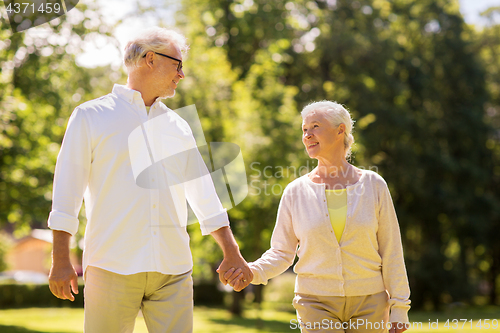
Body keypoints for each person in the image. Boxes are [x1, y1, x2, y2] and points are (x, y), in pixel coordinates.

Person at [47, 27, 252, 333]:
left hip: (174, 269)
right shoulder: (90, 116)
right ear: (150, 59)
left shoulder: (178, 125)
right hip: (111, 265)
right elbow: (67, 191)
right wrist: (61, 259)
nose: (181, 75)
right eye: (177, 65)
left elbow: (203, 192)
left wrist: (231, 251)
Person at [225, 101, 410, 332]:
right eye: (304, 130)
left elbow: (391, 249)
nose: (307, 135)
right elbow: (282, 251)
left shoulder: (374, 185)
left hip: (370, 301)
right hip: (315, 302)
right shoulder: (295, 192)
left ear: (340, 130)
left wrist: (399, 307)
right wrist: (253, 271)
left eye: (315, 126)